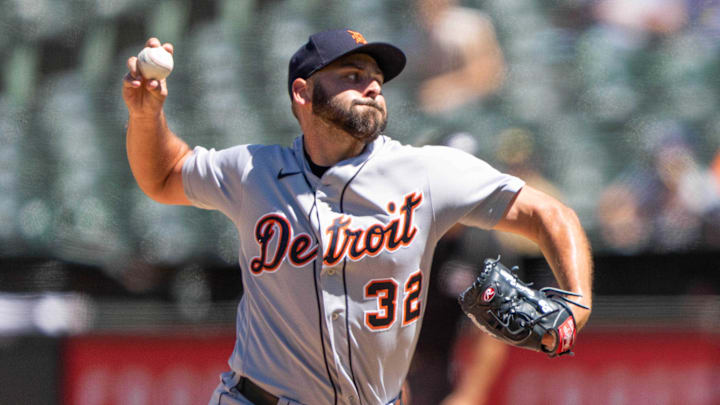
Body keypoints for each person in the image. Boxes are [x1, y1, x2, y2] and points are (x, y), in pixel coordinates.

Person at [122, 29, 593, 405]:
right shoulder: (252, 171)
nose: (371, 86)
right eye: (351, 74)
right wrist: (147, 117)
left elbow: (547, 213)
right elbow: (163, 176)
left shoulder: (426, 172)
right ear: (302, 93)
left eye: (376, 79)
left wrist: (577, 302)